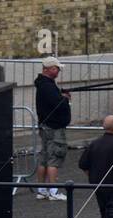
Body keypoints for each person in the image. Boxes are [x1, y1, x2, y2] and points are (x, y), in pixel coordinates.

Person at [34, 57, 71, 201]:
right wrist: (65, 99)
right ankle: (53, 191)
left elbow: (52, 100)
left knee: (44, 158)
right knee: (54, 157)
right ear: (47, 69)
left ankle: (42, 190)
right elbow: (57, 104)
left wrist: (60, 96)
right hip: (54, 127)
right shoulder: (47, 86)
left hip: (45, 125)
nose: (59, 71)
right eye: (56, 68)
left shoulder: (43, 84)